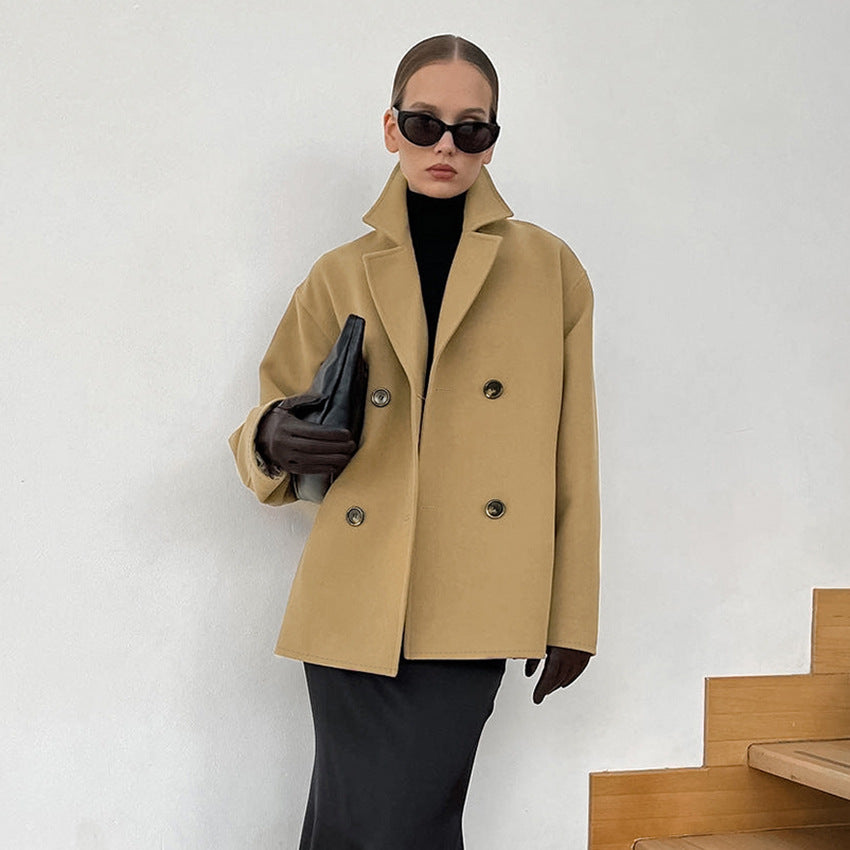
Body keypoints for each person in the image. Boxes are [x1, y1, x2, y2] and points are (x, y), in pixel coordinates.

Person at [229, 33, 600, 850]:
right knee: (349, 824)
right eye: (426, 123)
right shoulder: (341, 271)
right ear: (391, 127)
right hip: (354, 598)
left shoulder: (551, 270)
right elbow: (267, 413)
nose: (446, 146)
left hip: (476, 597)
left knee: (407, 823)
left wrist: (572, 611)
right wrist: (273, 437)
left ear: (492, 140)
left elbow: (575, 453)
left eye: (472, 128)